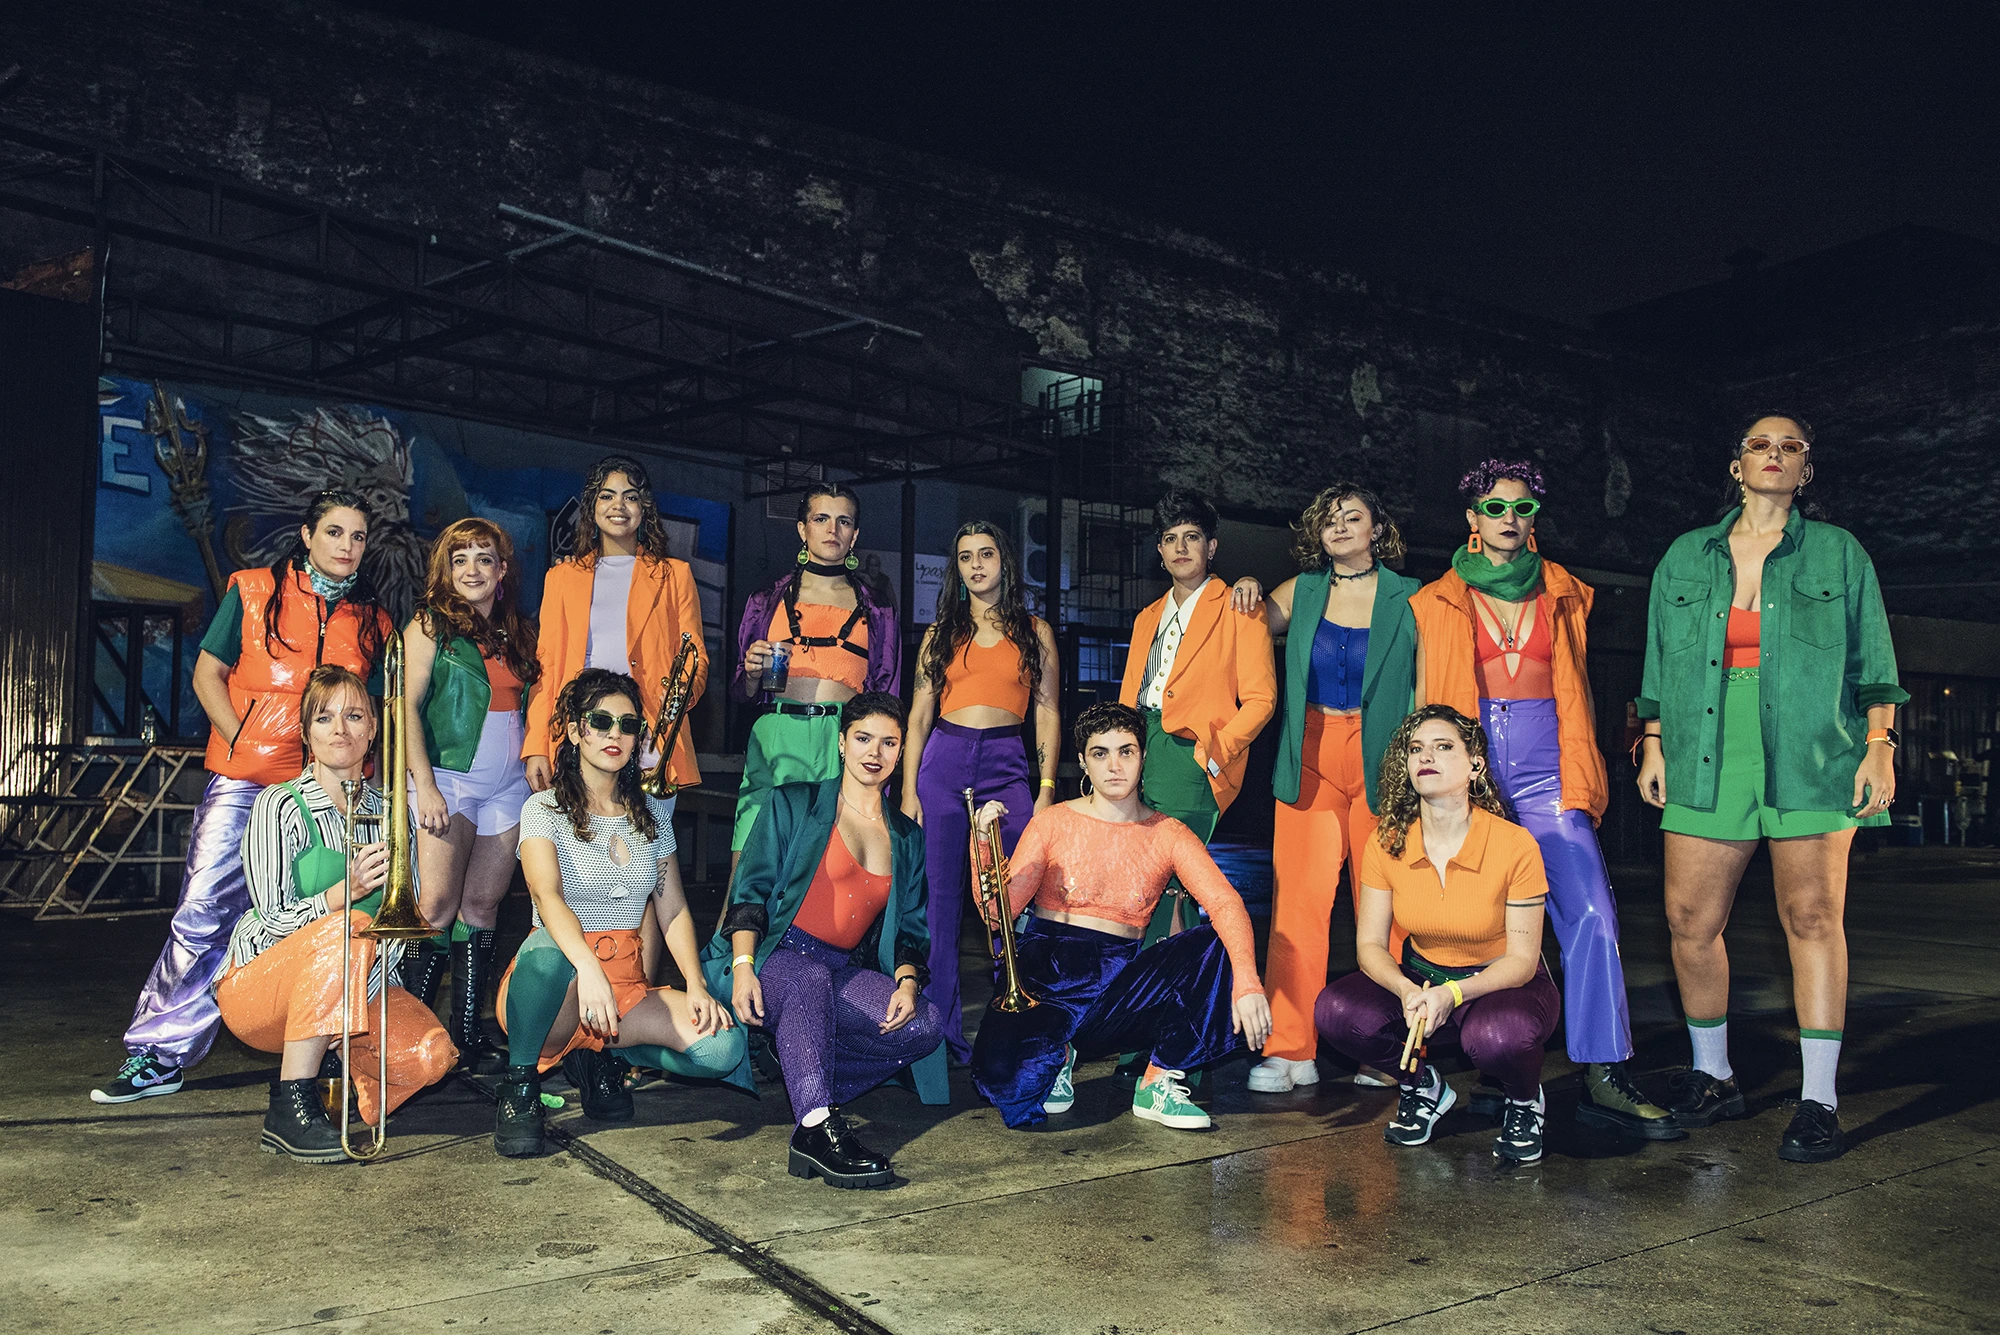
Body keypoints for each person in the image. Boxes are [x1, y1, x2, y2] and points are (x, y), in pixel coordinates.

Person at [1637, 415, 1904, 1164]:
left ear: (1805, 471)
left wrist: (1879, 747)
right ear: (1737, 464)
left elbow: (1875, 661)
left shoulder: (1839, 552)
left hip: (1813, 753)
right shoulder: (1686, 555)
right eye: (1760, 444)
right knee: (1689, 919)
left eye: (1791, 447)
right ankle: (1713, 1075)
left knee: (1812, 915)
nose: (1775, 455)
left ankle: (1818, 1099)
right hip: (1705, 752)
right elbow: (1658, 662)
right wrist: (1652, 741)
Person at [94, 490, 392, 1105]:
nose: (346, 546)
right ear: (307, 535)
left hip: (332, 791)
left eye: (358, 536)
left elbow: (381, 707)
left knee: (332, 911)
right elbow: (208, 674)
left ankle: (327, 1047)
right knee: (204, 910)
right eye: (334, 532)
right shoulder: (252, 590)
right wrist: (242, 740)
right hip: (247, 781)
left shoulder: (373, 619)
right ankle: (160, 1053)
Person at [1409, 459, 1677, 1141]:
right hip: (1474, 771)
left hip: (1548, 771)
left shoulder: (1565, 592)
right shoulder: (1435, 599)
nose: (1509, 519)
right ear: (1472, 519)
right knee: (1482, 925)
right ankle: (1501, 1067)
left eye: (1522, 507)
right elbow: (1422, 698)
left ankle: (1604, 1069)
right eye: (1495, 508)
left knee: (1592, 913)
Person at [969, 702, 1273, 1131]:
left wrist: (1248, 982)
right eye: (1101, 753)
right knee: (1004, 1081)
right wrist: (982, 844)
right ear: (1083, 762)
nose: (1114, 766)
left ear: (1143, 757)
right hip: (1044, 982)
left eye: (1126, 751)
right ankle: (1059, 1054)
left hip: (1115, 991)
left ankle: (1158, 1080)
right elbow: (996, 915)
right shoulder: (1051, 822)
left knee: (1216, 943)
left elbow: (1225, 902)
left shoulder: (1169, 834)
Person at [492, 669, 744, 1158]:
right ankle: (520, 1087)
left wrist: (696, 984)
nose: (615, 734)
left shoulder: (651, 816)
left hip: (624, 990)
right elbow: (547, 897)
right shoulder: (543, 809)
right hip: (558, 986)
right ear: (574, 730)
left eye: (628, 725)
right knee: (548, 955)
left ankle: (604, 1054)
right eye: (601, 721)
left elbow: (673, 908)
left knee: (722, 1048)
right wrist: (588, 967)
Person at [214, 666, 456, 1162]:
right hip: (261, 991)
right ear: (306, 734)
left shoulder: (391, 813)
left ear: (373, 731)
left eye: (354, 716)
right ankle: (289, 1108)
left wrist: (356, 993)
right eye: (324, 718)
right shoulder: (278, 805)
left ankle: (348, 1072)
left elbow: (398, 922)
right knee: (352, 926)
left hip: (356, 989)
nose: (340, 729)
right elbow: (270, 917)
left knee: (432, 1056)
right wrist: (343, 894)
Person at [703, 693, 945, 1189]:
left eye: (889, 743)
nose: (874, 752)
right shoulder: (795, 802)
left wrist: (906, 984)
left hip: (839, 967)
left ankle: (803, 1068)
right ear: (840, 743)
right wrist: (744, 967)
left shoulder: (906, 836)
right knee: (808, 978)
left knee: (924, 1024)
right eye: (863, 738)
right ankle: (815, 1129)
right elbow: (750, 893)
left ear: (901, 752)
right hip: (774, 954)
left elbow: (911, 927)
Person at [1229, 483, 1421, 1094]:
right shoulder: (1302, 590)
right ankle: (1290, 1049)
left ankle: (1385, 1048)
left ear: (1376, 529)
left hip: (1384, 762)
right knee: (1297, 907)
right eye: (1329, 519)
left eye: (1352, 517)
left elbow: (1428, 685)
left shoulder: (1411, 597)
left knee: (1386, 909)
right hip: (1309, 756)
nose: (1339, 526)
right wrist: (1246, 587)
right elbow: (1242, 627)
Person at [1314, 706, 1561, 1163]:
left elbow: (1522, 961)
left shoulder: (1514, 845)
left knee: (1497, 1039)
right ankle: (1422, 1087)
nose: (1425, 757)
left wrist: (1453, 994)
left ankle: (1525, 1100)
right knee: (1336, 1011)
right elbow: (1369, 946)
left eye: (1443, 747)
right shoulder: (1387, 841)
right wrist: (1406, 990)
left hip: (1501, 983)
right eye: (1416, 749)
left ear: (1474, 766)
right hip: (1423, 979)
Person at [525, 456, 708, 982]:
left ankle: (635, 992)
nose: (619, 505)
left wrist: (664, 723)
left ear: (645, 507)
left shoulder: (674, 575)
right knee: (566, 874)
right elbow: (546, 667)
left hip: (649, 746)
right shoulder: (562, 577)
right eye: (607, 495)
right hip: (577, 740)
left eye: (630, 495)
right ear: (592, 506)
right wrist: (537, 743)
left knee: (646, 882)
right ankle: (569, 989)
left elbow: (695, 660)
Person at [900, 522, 1060, 1062]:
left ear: (1004, 562)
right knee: (941, 906)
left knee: (1006, 903)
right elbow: (918, 717)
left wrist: (1045, 789)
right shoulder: (940, 633)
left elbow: (1047, 713)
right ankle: (939, 1036)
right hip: (943, 763)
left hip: (1006, 765)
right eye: (966, 556)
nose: (976, 565)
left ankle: (1008, 1032)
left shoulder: (1035, 632)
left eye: (986, 554)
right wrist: (909, 792)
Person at [400, 518, 539, 1068]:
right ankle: (411, 1036)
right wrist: (425, 784)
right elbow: (406, 707)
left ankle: (465, 1035)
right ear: (446, 570)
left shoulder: (517, 631)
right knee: (436, 904)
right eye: (460, 560)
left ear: (502, 570)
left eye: (484, 559)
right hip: (449, 779)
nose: (472, 570)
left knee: (483, 903)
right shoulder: (428, 625)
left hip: (508, 786)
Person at [732, 483, 899, 873]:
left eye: (844, 521)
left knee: (826, 872)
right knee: (749, 867)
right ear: (802, 529)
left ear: (854, 535)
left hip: (842, 741)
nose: (832, 530)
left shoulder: (877, 608)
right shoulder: (765, 600)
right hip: (776, 735)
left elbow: (887, 693)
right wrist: (752, 673)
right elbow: (741, 690)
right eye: (821, 518)